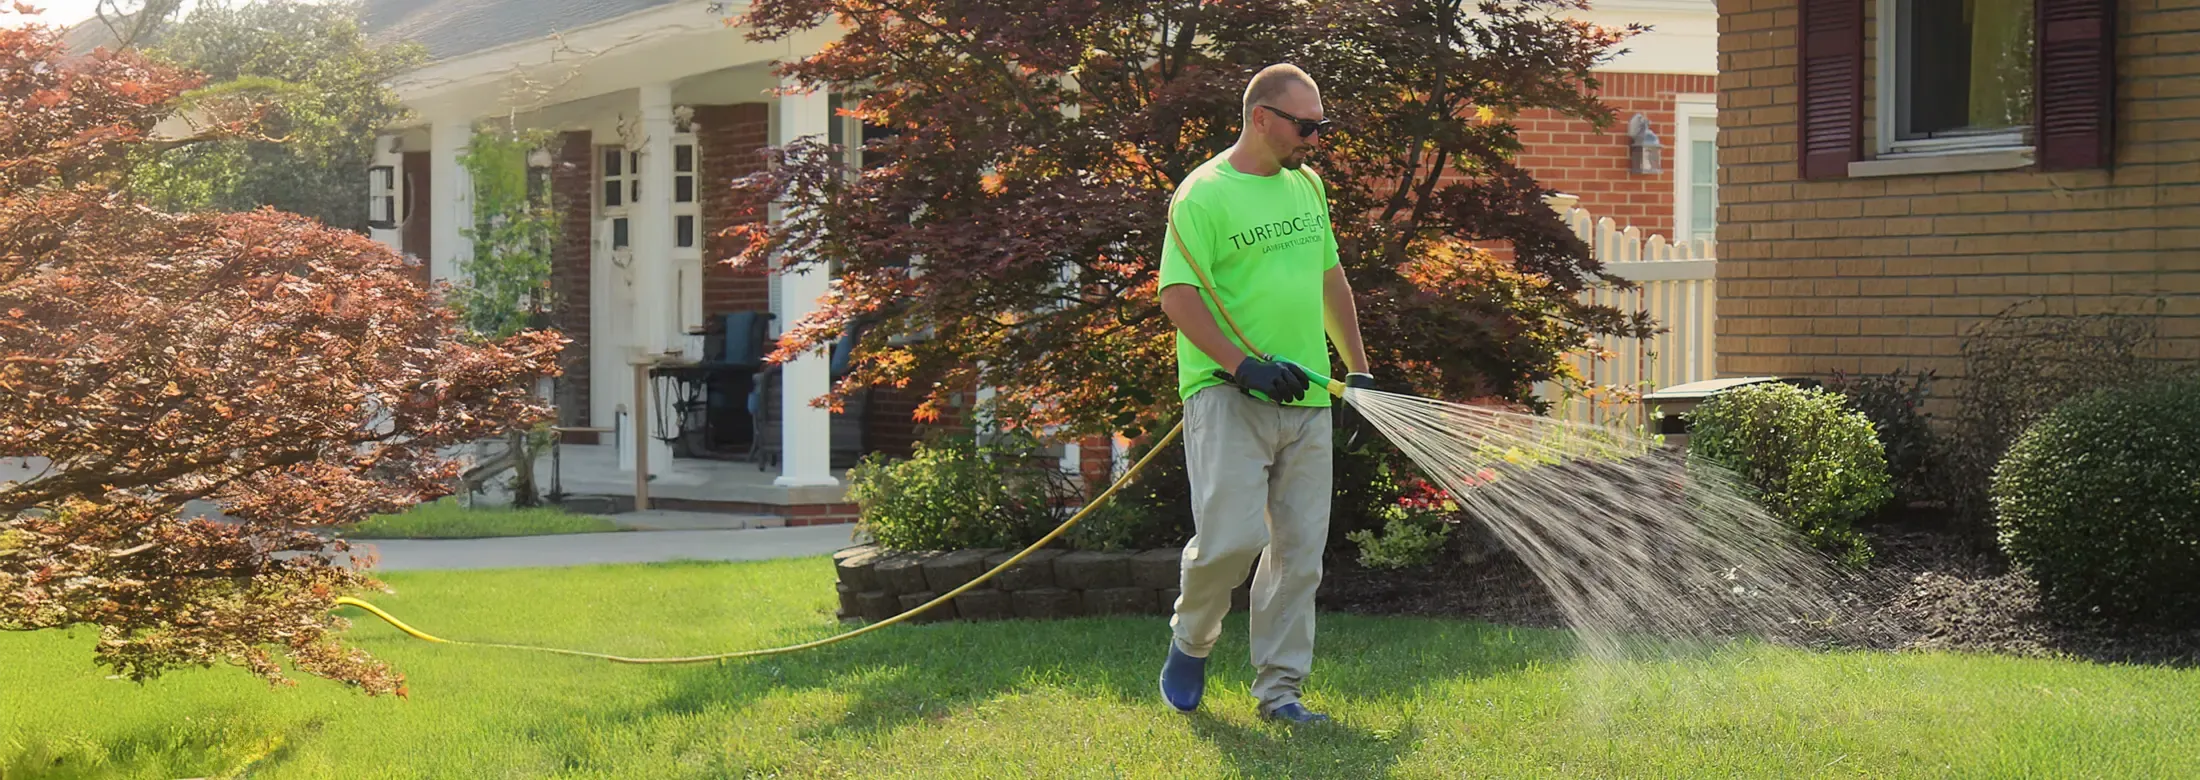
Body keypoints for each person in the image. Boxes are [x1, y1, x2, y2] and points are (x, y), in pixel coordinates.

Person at [1154, 62, 1372, 725]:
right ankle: (1191, 640)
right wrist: (1240, 364)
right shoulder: (1204, 196)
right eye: (1306, 126)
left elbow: (1330, 278)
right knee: (1232, 541)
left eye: (1320, 126)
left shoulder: (1308, 187)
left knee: (1299, 553)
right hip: (1227, 396)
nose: (1315, 139)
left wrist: (1357, 369)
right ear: (1261, 118)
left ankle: (1280, 693)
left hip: (1304, 396)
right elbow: (1177, 296)